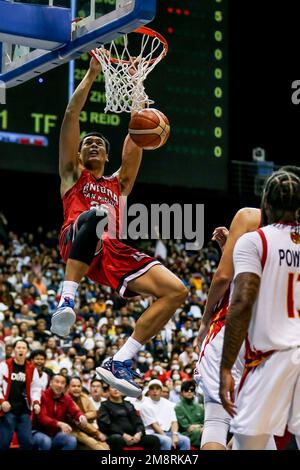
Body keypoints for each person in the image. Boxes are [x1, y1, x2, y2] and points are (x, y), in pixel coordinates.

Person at [50, 58, 188, 397]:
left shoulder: (119, 184)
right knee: (97, 216)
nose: (93, 144)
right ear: (78, 155)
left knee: (176, 291)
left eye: (99, 143)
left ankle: (121, 361)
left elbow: (136, 138)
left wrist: (137, 87)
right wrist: (93, 72)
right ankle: (67, 299)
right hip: (76, 238)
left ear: (107, 158)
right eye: (88, 143)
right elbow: (71, 116)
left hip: (111, 253)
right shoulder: (72, 176)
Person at [219, 170, 300, 450]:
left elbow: (241, 303)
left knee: (246, 444)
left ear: (265, 204)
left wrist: (226, 367)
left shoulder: (255, 241)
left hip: (270, 360)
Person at [0, 339, 42, 449]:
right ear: (14, 350)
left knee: (28, 442)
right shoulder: (4, 365)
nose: (21, 350)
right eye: (18, 347)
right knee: (3, 443)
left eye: (23, 348)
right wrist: (2, 401)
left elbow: (36, 388)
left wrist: (36, 402)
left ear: (27, 351)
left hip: (24, 411)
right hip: (8, 411)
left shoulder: (32, 369)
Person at [32, 374, 87, 450]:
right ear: (50, 382)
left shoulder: (66, 398)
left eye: (62, 383)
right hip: (38, 432)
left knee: (71, 440)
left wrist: (81, 417)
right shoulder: (42, 395)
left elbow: (75, 411)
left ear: (65, 386)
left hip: (54, 434)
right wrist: (59, 424)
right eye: (57, 382)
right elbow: (42, 418)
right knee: (46, 441)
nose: (59, 385)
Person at [97, 385, 161, 452]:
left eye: (119, 388)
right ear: (108, 391)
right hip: (117, 436)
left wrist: (138, 433)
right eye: (113, 387)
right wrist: (123, 435)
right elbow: (107, 425)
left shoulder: (129, 405)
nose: (116, 390)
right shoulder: (104, 406)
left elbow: (138, 422)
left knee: (154, 440)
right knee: (117, 439)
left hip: (134, 437)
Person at [139, 379, 190, 450]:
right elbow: (154, 425)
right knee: (167, 440)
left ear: (161, 391)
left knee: (185, 440)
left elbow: (174, 421)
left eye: (157, 388)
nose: (155, 391)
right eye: (152, 389)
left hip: (168, 432)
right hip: (152, 433)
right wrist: (167, 437)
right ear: (149, 391)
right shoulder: (144, 405)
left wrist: (175, 435)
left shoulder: (168, 404)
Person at [68, 377, 109, 450]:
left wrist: (82, 416)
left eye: (79, 386)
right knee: (93, 443)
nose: (76, 388)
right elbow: (78, 422)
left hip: (88, 426)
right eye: (74, 386)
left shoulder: (84, 396)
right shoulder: (67, 399)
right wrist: (97, 433)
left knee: (105, 445)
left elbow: (94, 413)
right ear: (68, 387)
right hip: (73, 429)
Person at [175, 380, 204, 448]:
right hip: (185, 434)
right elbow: (186, 427)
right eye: (186, 389)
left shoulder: (200, 407)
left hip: (200, 430)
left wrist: (199, 426)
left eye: (192, 390)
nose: (189, 391)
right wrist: (200, 427)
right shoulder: (178, 407)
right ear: (182, 392)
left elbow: (204, 422)